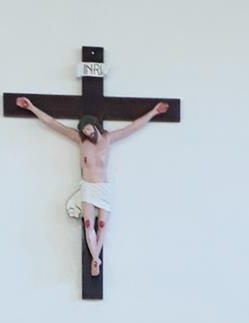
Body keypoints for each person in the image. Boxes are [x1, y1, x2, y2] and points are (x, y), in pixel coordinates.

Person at [16, 97, 169, 276]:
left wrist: (154, 112)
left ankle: (96, 256)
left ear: (95, 125)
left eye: (89, 128)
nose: (87, 132)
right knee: (88, 224)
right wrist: (32, 107)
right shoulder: (81, 141)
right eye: (84, 130)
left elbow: (133, 127)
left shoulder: (108, 138)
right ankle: (95, 259)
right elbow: (54, 123)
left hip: (103, 188)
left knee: (102, 225)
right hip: (88, 187)